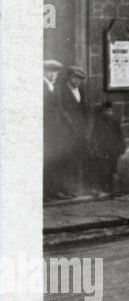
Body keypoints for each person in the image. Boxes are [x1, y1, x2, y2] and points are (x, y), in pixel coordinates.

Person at [55, 65, 89, 197]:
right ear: (69, 77)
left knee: (76, 161)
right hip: (66, 131)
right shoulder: (61, 90)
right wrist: (70, 125)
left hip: (80, 132)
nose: (77, 81)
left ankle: (75, 188)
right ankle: (65, 189)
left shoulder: (81, 90)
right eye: (74, 77)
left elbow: (85, 109)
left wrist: (86, 128)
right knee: (66, 161)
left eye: (80, 79)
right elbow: (61, 110)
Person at [87, 100, 126, 199]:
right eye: (106, 111)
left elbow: (120, 135)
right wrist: (94, 148)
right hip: (103, 150)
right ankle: (105, 189)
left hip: (113, 149)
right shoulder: (99, 122)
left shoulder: (115, 121)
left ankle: (113, 190)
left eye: (110, 111)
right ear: (103, 111)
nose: (109, 113)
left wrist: (122, 147)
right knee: (104, 170)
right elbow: (94, 136)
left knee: (113, 170)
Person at [43, 59, 66, 200]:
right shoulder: (41, 87)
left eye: (56, 72)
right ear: (44, 71)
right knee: (46, 161)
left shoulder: (54, 87)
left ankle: (53, 190)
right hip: (46, 131)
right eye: (50, 72)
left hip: (56, 131)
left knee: (55, 161)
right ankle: (44, 192)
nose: (53, 75)